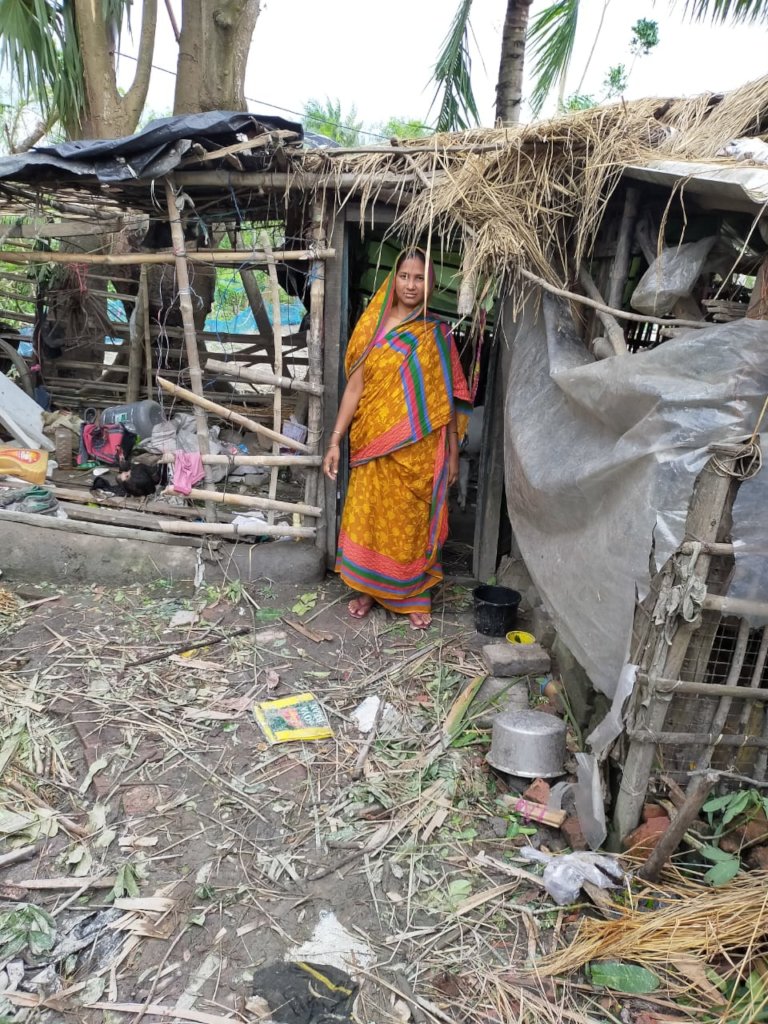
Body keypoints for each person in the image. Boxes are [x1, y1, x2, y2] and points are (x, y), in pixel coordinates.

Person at [323, 247, 471, 629]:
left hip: (420, 449)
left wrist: (453, 452)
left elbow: (448, 399)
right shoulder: (372, 326)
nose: (410, 284)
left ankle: (412, 594)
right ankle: (370, 589)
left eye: (419, 278)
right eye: (404, 276)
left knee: (410, 521)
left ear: (430, 284)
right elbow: (354, 388)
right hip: (373, 441)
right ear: (394, 278)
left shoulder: (436, 334)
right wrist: (336, 440)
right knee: (371, 516)